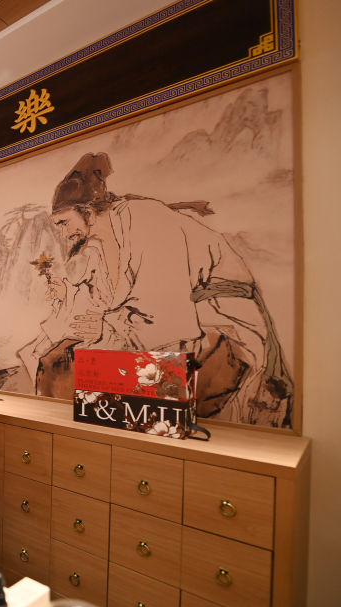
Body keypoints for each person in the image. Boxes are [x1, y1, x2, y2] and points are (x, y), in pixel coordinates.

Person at [28, 152, 293, 427]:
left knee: (104, 379)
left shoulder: (147, 220)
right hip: (155, 332)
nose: (63, 233)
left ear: (87, 211)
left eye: (64, 222)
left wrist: (105, 327)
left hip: (221, 327)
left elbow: (170, 317)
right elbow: (106, 304)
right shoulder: (99, 243)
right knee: (55, 362)